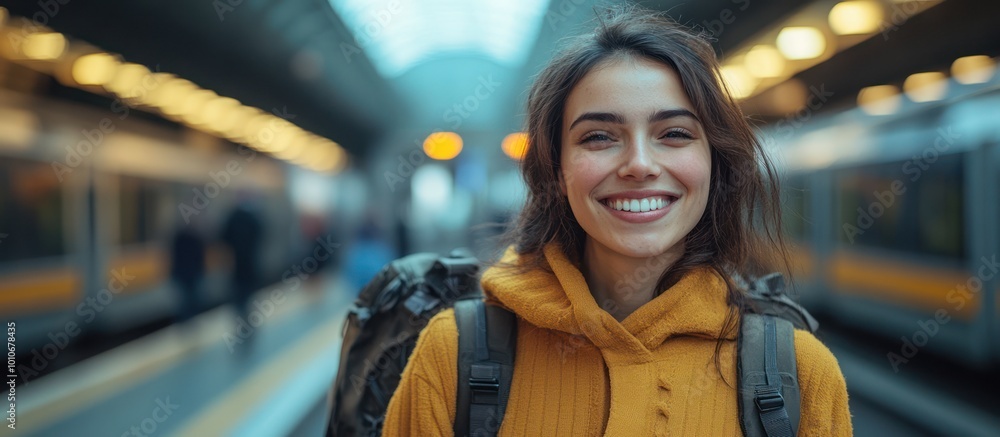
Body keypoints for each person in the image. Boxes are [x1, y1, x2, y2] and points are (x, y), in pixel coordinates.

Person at [383, 5, 852, 436]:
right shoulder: (453, 356)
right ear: (555, 168)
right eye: (600, 137)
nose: (640, 164)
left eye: (673, 133)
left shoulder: (801, 377)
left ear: (715, 162)